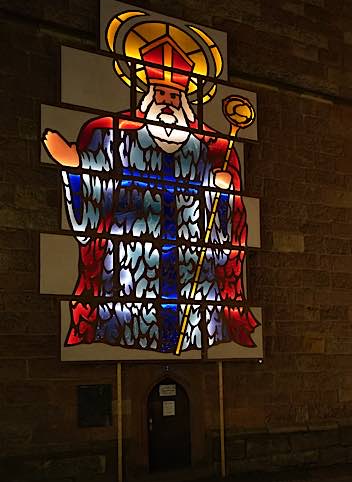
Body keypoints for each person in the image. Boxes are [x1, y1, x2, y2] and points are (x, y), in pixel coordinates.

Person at [42, 35, 257, 353]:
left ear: (184, 99)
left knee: (194, 321)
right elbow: (97, 182)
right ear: (148, 95)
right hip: (132, 264)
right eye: (161, 92)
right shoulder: (115, 135)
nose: (168, 100)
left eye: (174, 94)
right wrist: (75, 165)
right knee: (130, 314)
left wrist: (221, 191)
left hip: (191, 266)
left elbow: (227, 223)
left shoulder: (209, 148)